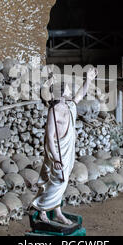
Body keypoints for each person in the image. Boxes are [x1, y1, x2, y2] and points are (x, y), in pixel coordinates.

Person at [30, 68, 98, 225]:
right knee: (57, 181)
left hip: (68, 152)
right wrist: (55, 159)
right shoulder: (55, 112)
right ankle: (42, 209)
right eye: (67, 88)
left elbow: (81, 93)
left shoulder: (70, 106)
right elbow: (49, 138)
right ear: (60, 93)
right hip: (57, 153)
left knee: (62, 182)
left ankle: (57, 211)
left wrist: (88, 79)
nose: (70, 90)